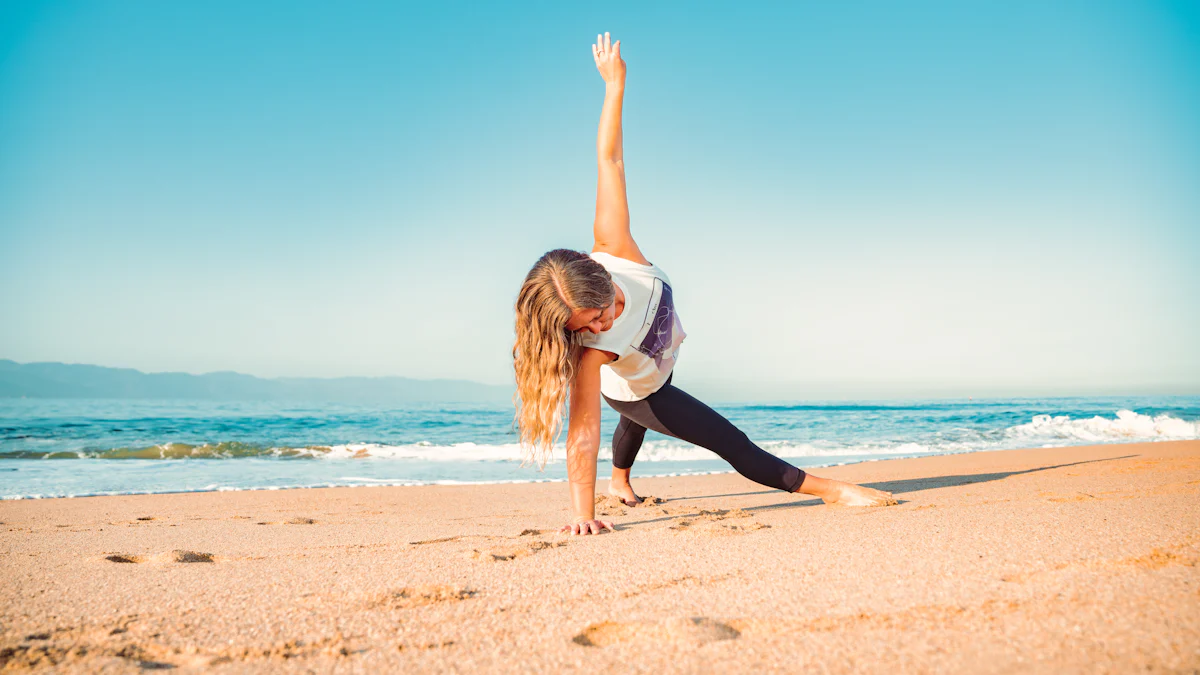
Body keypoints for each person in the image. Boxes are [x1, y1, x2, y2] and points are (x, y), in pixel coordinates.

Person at [511, 33, 898, 536]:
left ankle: (620, 481)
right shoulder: (593, 353)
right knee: (721, 438)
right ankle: (830, 490)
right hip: (638, 386)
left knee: (636, 415)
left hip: (651, 360)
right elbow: (583, 430)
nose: (601, 324)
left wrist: (615, 85)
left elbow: (610, 161)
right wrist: (582, 517)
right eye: (587, 326)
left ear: (600, 272)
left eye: (601, 311)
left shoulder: (615, 245)